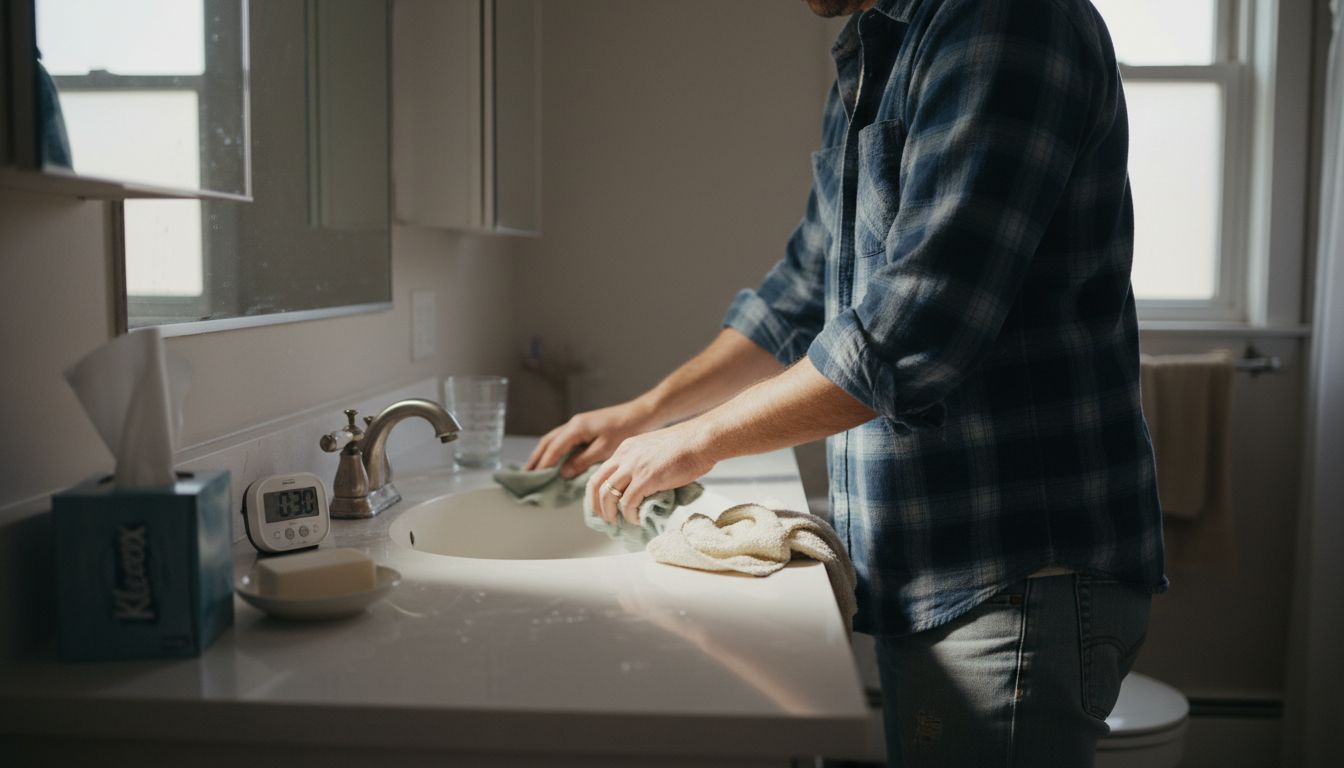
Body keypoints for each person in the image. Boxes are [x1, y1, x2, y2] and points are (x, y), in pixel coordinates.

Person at [526, 0, 1167, 764]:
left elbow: (919, 326)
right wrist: (646, 412)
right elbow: (798, 292)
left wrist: (697, 441)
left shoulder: (1006, 21)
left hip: (1014, 570)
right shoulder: (879, 52)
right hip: (934, 565)